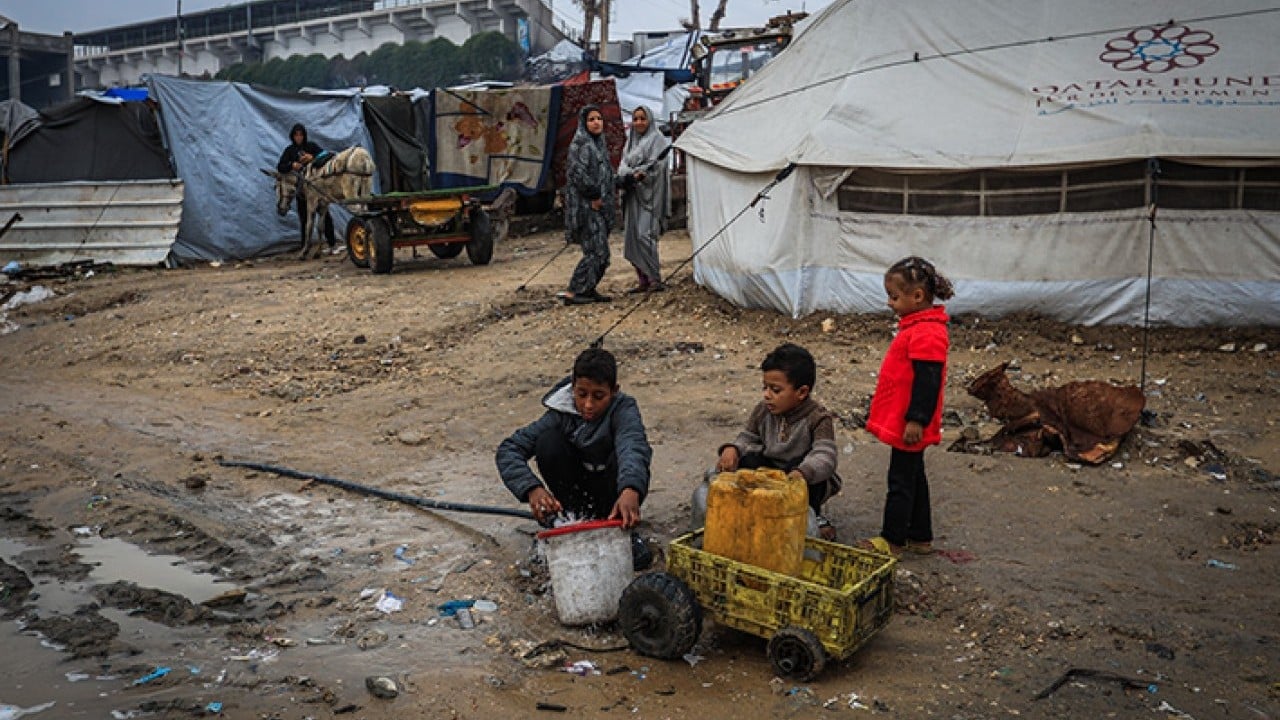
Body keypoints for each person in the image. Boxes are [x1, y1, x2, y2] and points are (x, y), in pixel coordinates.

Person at [496, 347, 653, 569]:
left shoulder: (624, 410)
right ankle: (572, 519)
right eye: (581, 394)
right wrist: (531, 488)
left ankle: (621, 527)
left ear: (614, 391)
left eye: (598, 396)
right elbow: (509, 449)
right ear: (572, 387)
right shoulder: (560, 412)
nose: (588, 405)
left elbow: (633, 447)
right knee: (548, 442)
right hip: (575, 493)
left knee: (627, 458)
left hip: (611, 495)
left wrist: (631, 489)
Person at [860, 256, 954, 557]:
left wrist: (916, 420)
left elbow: (928, 381)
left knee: (900, 481)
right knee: (914, 476)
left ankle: (892, 540)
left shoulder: (927, 332)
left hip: (910, 423)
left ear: (917, 296)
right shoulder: (918, 328)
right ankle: (920, 536)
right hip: (907, 419)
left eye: (894, 296)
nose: (889, 303)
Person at [706, 343, 842, 541]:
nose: (767, 395)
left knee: (809, 474)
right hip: (770, 471)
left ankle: (814, 516)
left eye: (775, 390)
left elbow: (825, 455)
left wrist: (803, 472)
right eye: (765, 387)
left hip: (801, 476)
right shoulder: (763, 410)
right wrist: (732, 449)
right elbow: (748, 438)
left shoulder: (818, 418)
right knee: (746, 463)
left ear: (802, 392)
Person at [558, 105, 617, 305]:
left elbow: (605, 174)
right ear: (584, 123)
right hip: (586, 208)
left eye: (599, 118)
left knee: (599, 252)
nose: (596, 122)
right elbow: (578, 174)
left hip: (597, 207)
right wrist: (594, 196)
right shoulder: (582, 144)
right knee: (598, 252)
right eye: (591, 119)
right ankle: (576, 290)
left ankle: (588, 288)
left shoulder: (597, 144)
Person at [617, 105, 669, 294]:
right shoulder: (630, 142)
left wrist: (641, 175)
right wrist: (630, 175)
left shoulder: (658, 140)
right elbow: (622, 166)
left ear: (650, 120)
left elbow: (658, 166)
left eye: (642, 118)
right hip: (632, 195)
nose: (638, 122)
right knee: (632, 237)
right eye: (636, 119)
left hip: (650, 196)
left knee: (644, 235)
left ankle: (655, 277)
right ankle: (643, 280)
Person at [276, 123, 336, 251]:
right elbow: (280, 166)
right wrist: (292, 165)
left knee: (325, 216)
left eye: (301, 135)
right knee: (304, 218)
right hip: (301, 190)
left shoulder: (311, 146)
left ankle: (331, 243)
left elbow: (327, 155)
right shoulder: (289, 150)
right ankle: (305, 245)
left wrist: (312, 157)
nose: (299, 137)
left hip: (317, 189)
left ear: (304, 135)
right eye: (296, 135)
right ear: (292, 136)